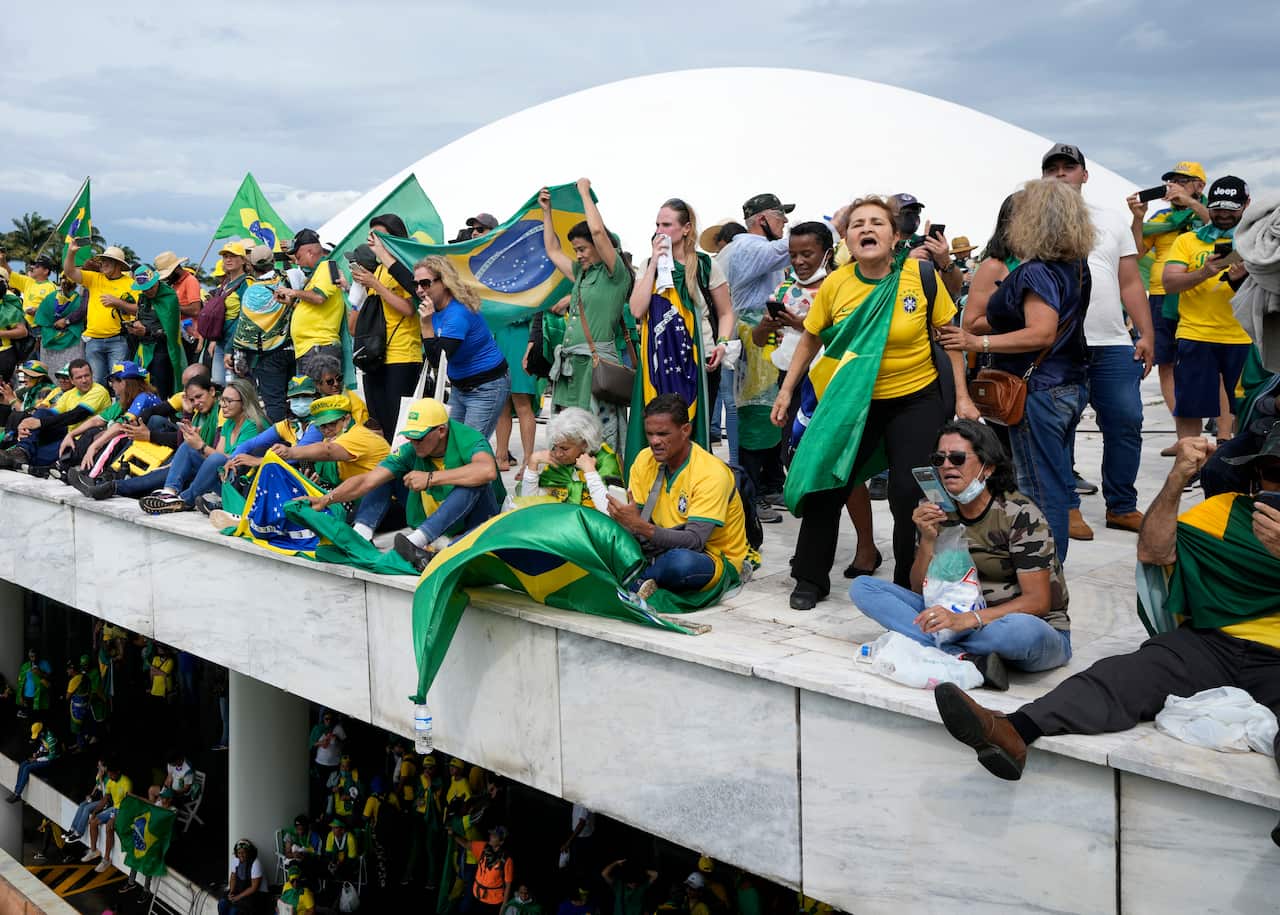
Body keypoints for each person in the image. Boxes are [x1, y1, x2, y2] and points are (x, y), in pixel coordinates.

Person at [933, 434, 1280, 847]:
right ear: (1258, 477)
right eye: (1274, 474)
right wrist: (1176, 479)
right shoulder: (1225, 511)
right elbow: (1153, 551)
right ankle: (1013, 732)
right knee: (1120, 674)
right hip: (1211, 641)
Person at [774, 195, 975, 609]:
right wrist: (787, 389)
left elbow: (949, 337)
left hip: (915, 399)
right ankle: (810, 578)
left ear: (896, 235)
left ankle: (907, 581)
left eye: (877, 223)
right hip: (853, 402)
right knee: (825, 484)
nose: (867, 229)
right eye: (858, 224)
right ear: (847, 238)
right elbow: (811, 336)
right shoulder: (837, 284)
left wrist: (963, 397)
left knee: (908, 492)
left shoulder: (919, 276)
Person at [939, 178, 1094, 562]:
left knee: (1041, 488)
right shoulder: (1075, 266)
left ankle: (1044, 571)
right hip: (1070, 384)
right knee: (1054, 480)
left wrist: (978, 343)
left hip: (1039, 388)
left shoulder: (1035, 271)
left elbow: (1040, 332)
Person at [852, 419, 1071, 688]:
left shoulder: (1020, 514)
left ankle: (943, 647)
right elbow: (919, 589)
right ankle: (964, 654)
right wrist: (928, 542)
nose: (946, 466)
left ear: (987, 467)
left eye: (957, 458)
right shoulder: (938, 509)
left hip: (1018, 624)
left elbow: (1038, 602)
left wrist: (966, 620)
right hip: (957, 614)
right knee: (864, 588)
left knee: (1019, 632)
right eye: (939, 459)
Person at [302, 397, 502, 572]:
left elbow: (487, 471)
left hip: (475, 521)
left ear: (441, 431)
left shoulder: (470, 439)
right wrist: (325, 500)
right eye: (410, 437)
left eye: (419, 438)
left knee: (474, 479)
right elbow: (366, 481)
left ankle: (417, 542)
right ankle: (361, 536)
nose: (413, 443)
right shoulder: (411, 450)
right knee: (384, 475)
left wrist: (430, 478)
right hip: (432, 517)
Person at [627, 197, 735, 464]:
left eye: (667, 224)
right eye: (657, 225)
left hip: (698, 364)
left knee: (690, 429)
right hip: (656, 366)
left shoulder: (705, 265)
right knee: (654, 430)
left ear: (686, 228)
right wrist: (654, 263)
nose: (659, 230)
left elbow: (725, 312)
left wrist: (722, 343)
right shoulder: (646, 264)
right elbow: (636, 310)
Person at [609, 394, 748, 599]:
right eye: (650, 434)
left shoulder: (711, 473)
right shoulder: (644, 459)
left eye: (663, 434)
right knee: (602, 534)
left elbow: (695, 541)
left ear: (685, 431)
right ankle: (643, 577)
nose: (655, 441)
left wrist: (639, 526)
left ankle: (636, 581)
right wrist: (622, 520)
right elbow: (638, 518)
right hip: (657, 548)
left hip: (708, 556)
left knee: (680, 563)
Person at [540, 179, 633, 455]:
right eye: (576, 250)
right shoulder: (582, 274)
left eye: (582, 248)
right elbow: (553, 251)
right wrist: (547, 212)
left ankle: (604, 481)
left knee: (598, 432)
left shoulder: (615, 275)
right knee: (569, 430)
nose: (578, 255)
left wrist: (583, 193)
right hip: (571, 367)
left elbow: (597, 230)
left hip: (596, 366)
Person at [1162, 176, 1253, 443]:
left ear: (1246, 204)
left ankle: (1240, 463)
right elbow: (1169, 283)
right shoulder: (1188, 241)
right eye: (1217, 207)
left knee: (1248, 407)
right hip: (1196, 334)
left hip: (1245, 336)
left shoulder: (1256, 241)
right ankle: (1189, 462)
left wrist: (1243, 276)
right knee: (1190, 406)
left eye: (1231, 208)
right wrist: (1205, 271)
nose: (1223, 214)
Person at [716, 192, 796, 468]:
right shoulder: (750, 247)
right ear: (762, 219)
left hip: (765, 336)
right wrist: (832, 227)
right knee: (759, 411)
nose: (785, 222)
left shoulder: (746, 248)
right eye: (779, 216)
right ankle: (753, 488)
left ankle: (770, 482)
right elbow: (792, 248)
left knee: (768, 409)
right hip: (756, 339)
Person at [1128, 162, 1209, 416]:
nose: (1175, 185)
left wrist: (1191, 203)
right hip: (1162, 295)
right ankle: (1183, 431)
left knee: (1203, 362)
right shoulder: (1161, 218)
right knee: (1167, 363)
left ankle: (1218, 430)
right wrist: (1138, 218)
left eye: (1183, 181)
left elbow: (1219, 229)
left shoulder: (1208, 212)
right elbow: (1137, 251)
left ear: (1200, 185)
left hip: (1198, 293)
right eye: (1172, 181)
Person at [414, 255, 510, 439]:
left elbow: (438, 361)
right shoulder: (433, 304)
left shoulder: (457, 314)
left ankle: (486, 467)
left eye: (425, 283)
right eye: (416, 284)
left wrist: (425, 325)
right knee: (450, 443)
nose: (419, 290)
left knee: (469, 446)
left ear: (444, 281)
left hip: (486, 385)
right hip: (460, 387)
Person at [138, 378, 267, 513]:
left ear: (245, 402)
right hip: (225, 480)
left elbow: (234, 461)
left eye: (229, 401)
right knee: (188, 447)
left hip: (241, 487)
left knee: (214, 458)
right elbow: (219, 458)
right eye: (222, 400)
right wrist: (196, 442)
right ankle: (169, 492)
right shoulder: (229, 423)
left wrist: (201, 446)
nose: (223, 405)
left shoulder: (253, 424)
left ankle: (183, 500)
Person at [272, 394, 391, 538]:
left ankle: (362, 534)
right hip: (350, 497)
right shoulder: (329, 439)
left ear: (346, 419)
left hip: (382, 504)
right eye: (322, 426)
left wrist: (290, 452)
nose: (327, 430)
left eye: (332, 424)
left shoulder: (358, 435)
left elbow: (328, 451)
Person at [352, 214, 424, 441]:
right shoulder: (379, 268)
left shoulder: (405, 268)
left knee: (399, 425)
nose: (374, 241)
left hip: (402, 355)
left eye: (380, 236)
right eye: (372, 235)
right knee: (379, 424)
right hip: (375, 355)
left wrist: (376, 285)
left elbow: (409, 308)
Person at [0, 358, 111, 470]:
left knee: (36, 457)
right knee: (40, 413)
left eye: (86, 376)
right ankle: (22, 450)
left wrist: (37, 422)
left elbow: (76, 415)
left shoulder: (98, 391)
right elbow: (49, 413)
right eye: (79, 377)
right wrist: (26, 423)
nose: (84, 380)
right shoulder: (67, 393)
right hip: (66, 433)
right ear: (72, 380)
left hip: (83, 438)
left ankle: (17, 453)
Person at [516, 406, 622, 512]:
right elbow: (529, 507)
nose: (557, 454)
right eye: (555, 446)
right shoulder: (556, 461)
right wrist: (532, 465)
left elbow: (611, 513)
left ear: (584, 443)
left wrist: (591, 473)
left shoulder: (607, 461)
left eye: (564, 448)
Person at [62, 241, 135, 383]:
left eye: (108, 261)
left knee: (120, 381)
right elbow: (69, 271)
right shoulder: (94, 278)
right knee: (96, 383)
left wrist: (118, 302)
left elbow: (139, 308)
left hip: (118, 340)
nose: (103, 264)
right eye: (103, 261)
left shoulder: (130, 283)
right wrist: (71, 253)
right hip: (93, 340)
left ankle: (119, 406)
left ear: (119, 265)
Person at [280, 229, 346, 377]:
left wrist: (294, 292)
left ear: (310, 252)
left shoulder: (328, 266)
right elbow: (313, 306)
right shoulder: (316, 273)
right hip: (311, 347)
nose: (297, 262)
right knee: (310, 396)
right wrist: (291, 303)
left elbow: (318, 297)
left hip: (319, 346)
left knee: (320, 396)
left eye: (298, 257)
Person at [124, 265, 186, 398]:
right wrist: (135, 325)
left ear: (157, 281)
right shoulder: (142, 298)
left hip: (162, 350)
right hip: (143, 348)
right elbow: (140, 317)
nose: (148, 291)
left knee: (160, 388)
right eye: (144, 289)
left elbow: (170, 331)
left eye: (151, 287)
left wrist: (147, 331)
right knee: (139, 386)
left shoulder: (169, 298)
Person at [83, 759, 131, 872]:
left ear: (118, 772)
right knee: (93, 821)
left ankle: (106, 859)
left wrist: (114, 818)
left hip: (125, 810)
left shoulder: (126, 782)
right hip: (114, 808)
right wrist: (94, 812)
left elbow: (128, 804)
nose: (110, 776)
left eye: (111, 774)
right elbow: (105, 799)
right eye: (108, 774)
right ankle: (94, 850)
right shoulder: (110, 781)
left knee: (109, 826)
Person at [455, 825, 514, 915]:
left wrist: (504, 905)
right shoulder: (483, 847)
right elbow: (466, 844)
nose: (490, 837)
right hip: (477, 894)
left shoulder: (507, 860)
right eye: (491, 834)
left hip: (494, 900)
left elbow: (508, 885)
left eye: (494, 836)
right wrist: (453, 835)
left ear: (501, 842)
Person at [7, 721, 59, 802]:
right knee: (23, 764)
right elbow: (43, 746)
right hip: (43, 756)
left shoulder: (50, 738)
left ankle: (17, 794)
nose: (37, 737)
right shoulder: (43, 735)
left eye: (37, 734)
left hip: (51, 760)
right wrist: (37, 753)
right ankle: (16, 791)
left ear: (41, 732)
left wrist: (36, 759)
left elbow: (52, 756)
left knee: (27, 768)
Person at [62, 757, 109, 846]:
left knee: (87, 808)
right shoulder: (99, 774)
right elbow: (97, 785)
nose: (98, 768)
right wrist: (90, 795)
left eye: (100, 766)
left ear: (105, 768)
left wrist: (102, 779)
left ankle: (79, 833)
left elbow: (105, 795)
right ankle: (72, 829)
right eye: (98, 766)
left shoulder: (107, 778)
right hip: (98, 798)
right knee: (82, 804)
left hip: (105, 802)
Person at [219, 839, 268, 915]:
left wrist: (237, 897)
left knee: (233, 911)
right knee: (222, 903)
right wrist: (231, 892)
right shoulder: (236, 860)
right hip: (240, 890)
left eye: (243, 852)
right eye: (239, 853)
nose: (241, 855)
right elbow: (233, 877)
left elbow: (254, 887)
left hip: (255, 894)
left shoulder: (255, 863)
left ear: (248, 852)